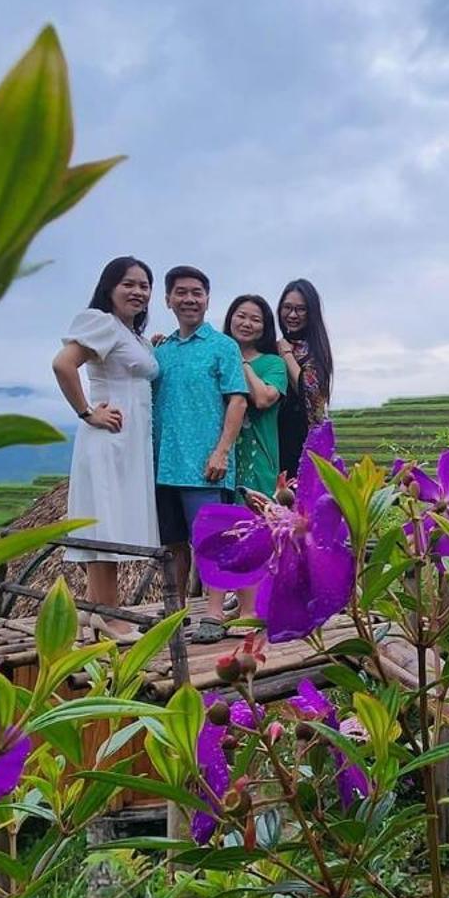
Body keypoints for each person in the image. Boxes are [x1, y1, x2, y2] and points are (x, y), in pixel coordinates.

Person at [51, 256, 158, 645]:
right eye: (129, 283)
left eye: (144, 285)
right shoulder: (100, 322)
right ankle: (110, 617)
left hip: (130, 442)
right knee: (105, 519)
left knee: (110, 516)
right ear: (109, 287)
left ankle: (95, 610)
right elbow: (64, 364)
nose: (138, 291)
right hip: (110, 438)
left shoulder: (130, 334)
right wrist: (86, 412)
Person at [152, 266, 247, 641]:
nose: (189, 299)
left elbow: (237, 401)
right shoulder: (163, 350)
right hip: (163, 463)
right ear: (168, 299)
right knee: (173, 542)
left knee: (212, 540)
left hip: (206, 464)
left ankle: (213, 612)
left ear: (207, 299)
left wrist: (221, 452)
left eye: (197, 293)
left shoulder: (223, 346)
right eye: (181, 292)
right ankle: (175, 611)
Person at [223, 294, 288, 499]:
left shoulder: (273, 364)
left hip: (258, 464)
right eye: (241, 316)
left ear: (265, 327)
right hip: (218, 461)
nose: (247, 323)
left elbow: (262, 399)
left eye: (256, 320)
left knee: (255, 523)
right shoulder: (217, 358)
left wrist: (240, 361)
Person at [275, 278, 335, 481]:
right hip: (275, 439)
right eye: (287, 308)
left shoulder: (316, 351)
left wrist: (286, 354)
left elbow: (308, 393)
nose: (292, 315)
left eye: (300, 309)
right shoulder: (273, 347)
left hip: (304, 442)